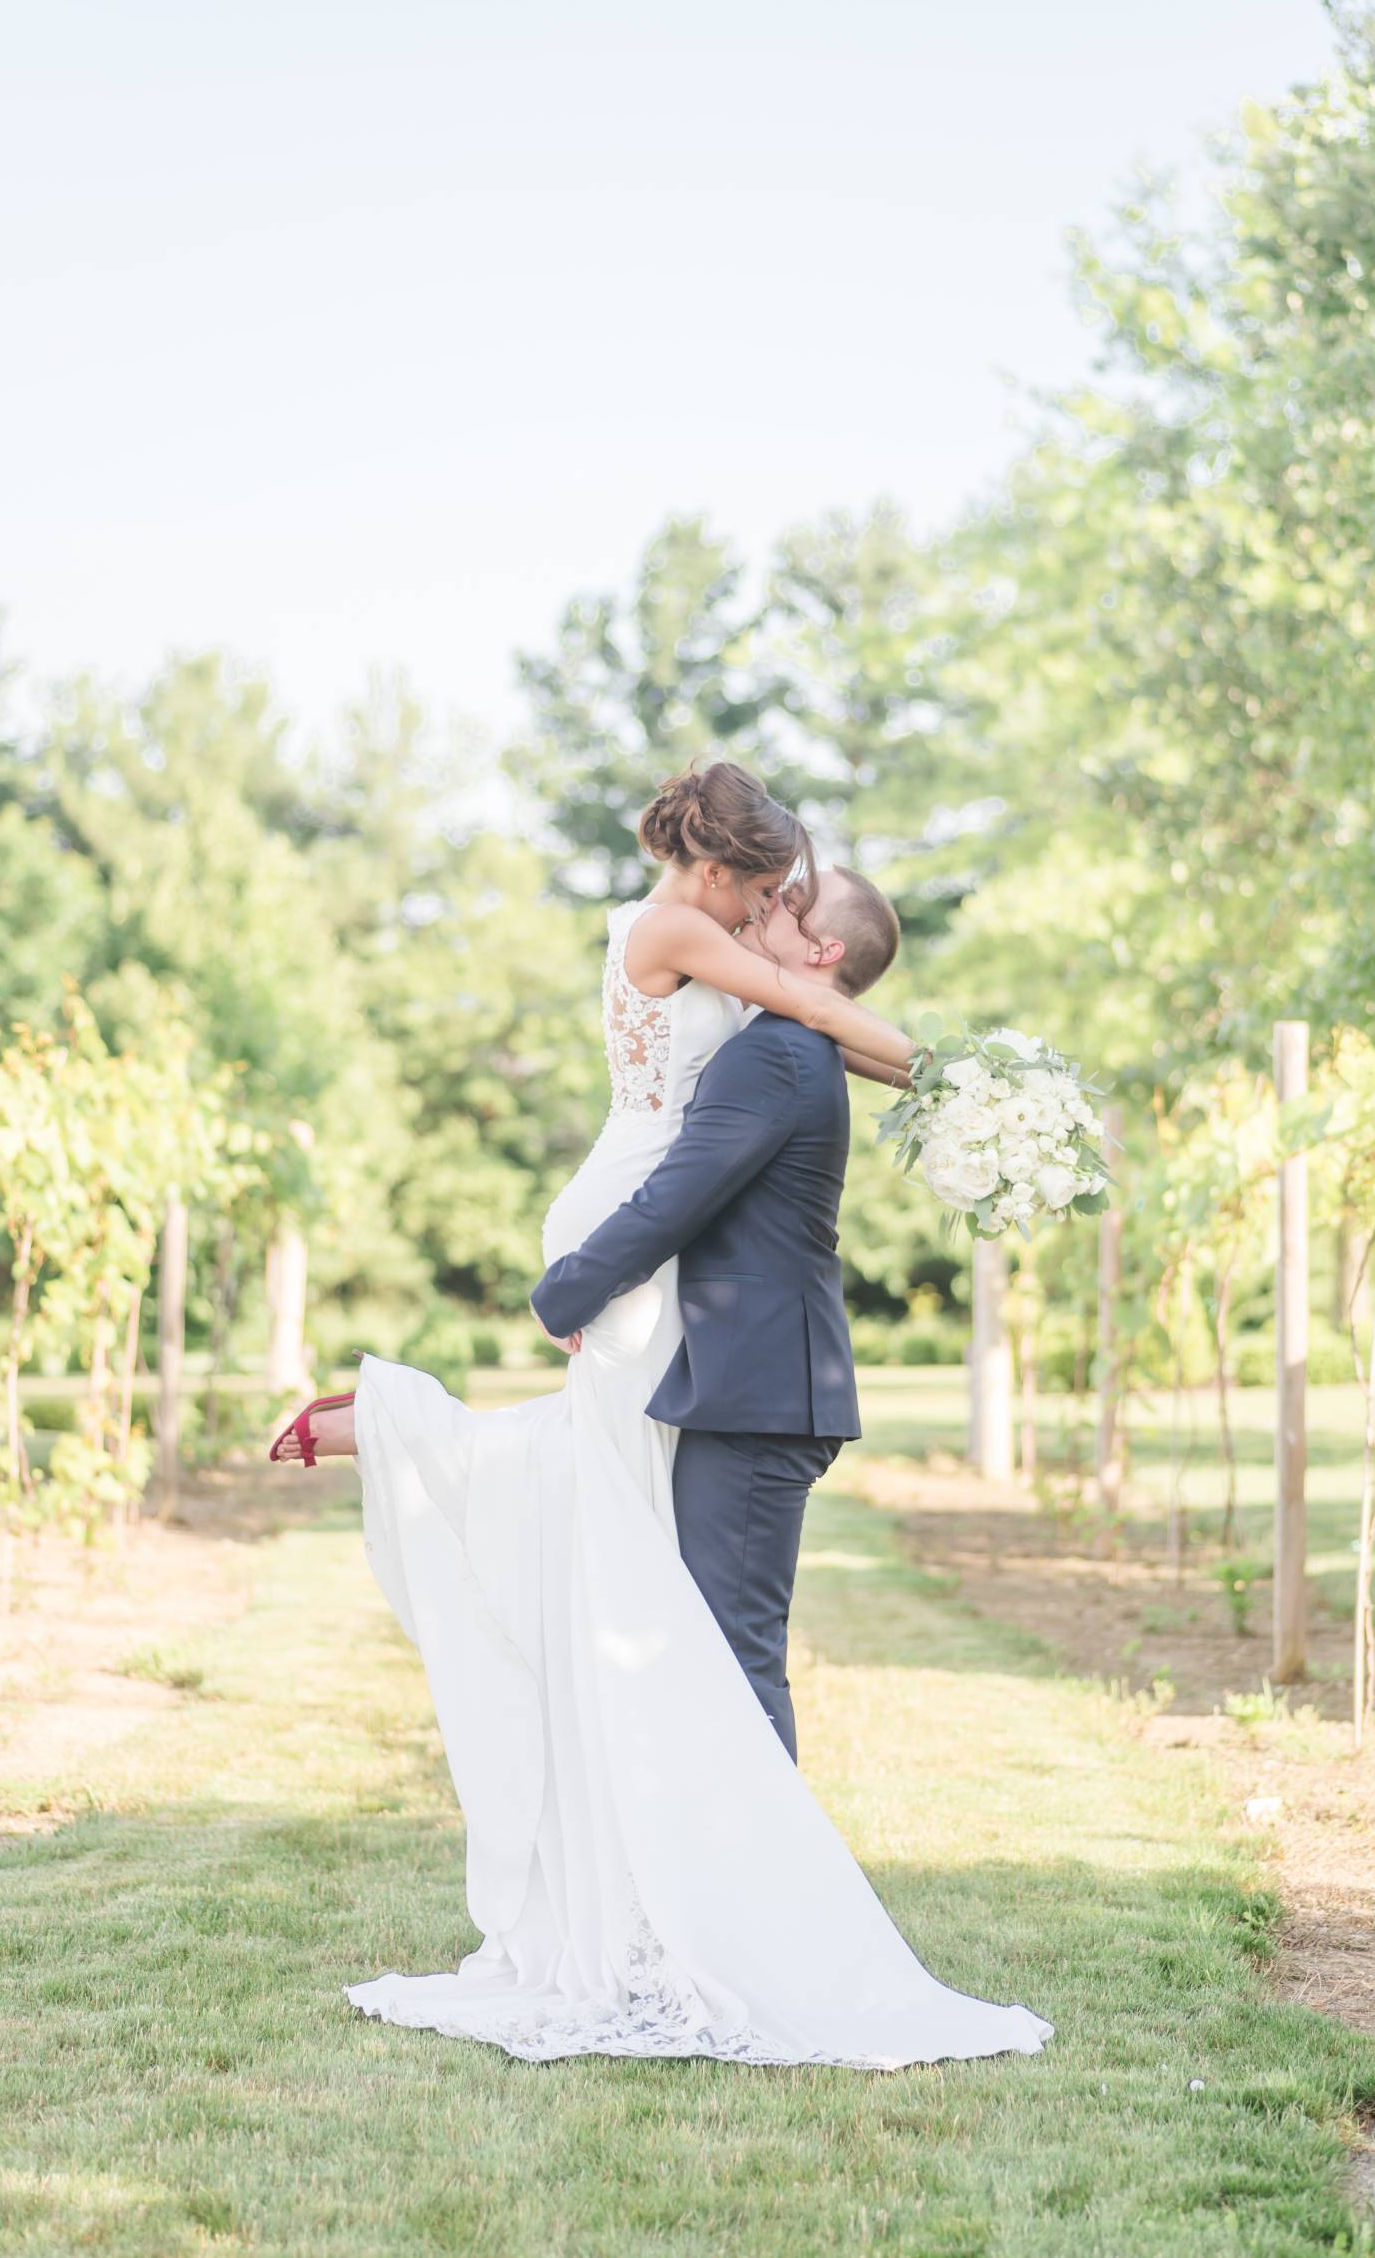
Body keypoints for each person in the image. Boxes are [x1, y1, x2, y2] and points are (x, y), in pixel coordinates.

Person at [270, 760, 1054, 2069]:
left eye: (782, 901)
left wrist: (969, 1092)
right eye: (764, 888)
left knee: (616, 1516)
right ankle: (714, 1900)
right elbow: (809, 1003)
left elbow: (814, 1011)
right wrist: (963, 1079)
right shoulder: (692, 941)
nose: (765, 913)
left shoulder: (749, 1005)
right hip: (628, 1232)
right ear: (721, 871)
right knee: (619, 1521)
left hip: (649, 1251)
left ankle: (404, 1439)